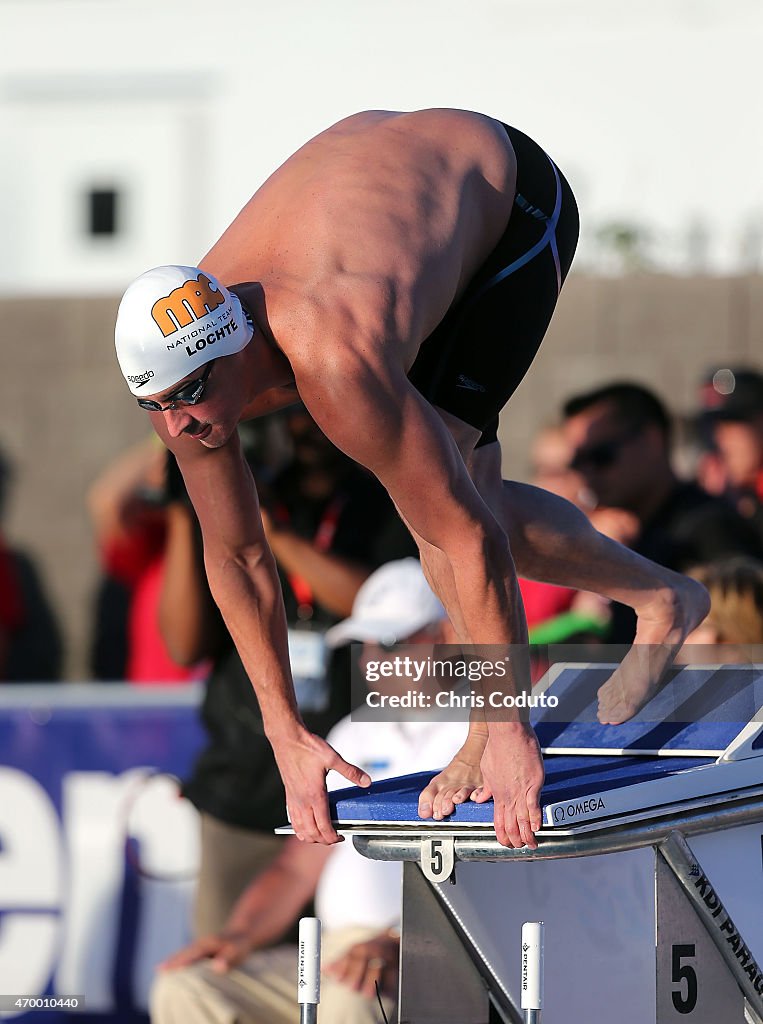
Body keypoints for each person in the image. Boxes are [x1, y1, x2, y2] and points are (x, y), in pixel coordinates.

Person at [114, 108, 709, 849]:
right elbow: (236, 556)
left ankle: (608, 636)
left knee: (449, 499)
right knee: (453, 497)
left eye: (189, 399)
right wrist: (283, 731)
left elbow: (463, 539)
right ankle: (662, 596)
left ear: (235, 350)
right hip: (382, 210)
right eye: (156, 407)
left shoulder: (332, 357)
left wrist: (509, 730)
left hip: (505, 201)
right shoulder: (178, 372)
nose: (178, 427)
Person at [150, 560, 465, 1024]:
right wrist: (238, 935)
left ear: (448, 637)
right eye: (365, 644)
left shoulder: (492, 735)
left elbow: (499, 877)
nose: (372, 661)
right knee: (187, 987)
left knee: (354, 996)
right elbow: (299, 866)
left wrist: (403, 942)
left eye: (391, 642)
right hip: (335, 953)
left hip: (437, 956)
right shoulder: (353, 733)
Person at [159, 410, 416, 936]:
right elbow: (183, 645)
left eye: (315, 413)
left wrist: (269, 537)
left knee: (343, 975)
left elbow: (382, 600)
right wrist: (193, 511)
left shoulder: (384, 499)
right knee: (225, 971)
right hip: (243, 790)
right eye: (288, 420)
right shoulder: (247, 496)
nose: (303, 431)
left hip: (349, 788)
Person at [562, 381, 763, 645]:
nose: (587, 472)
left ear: (652, 439)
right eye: (578, 461)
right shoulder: (631, 531)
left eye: (601, 456)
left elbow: (737, 640)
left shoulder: (707, 526)